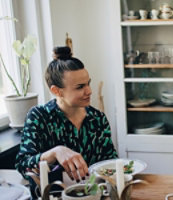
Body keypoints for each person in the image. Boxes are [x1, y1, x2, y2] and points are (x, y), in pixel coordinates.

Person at [15, 46, 118, 183]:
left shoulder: (98, 118)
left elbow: (111, 163)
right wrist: (55, 152)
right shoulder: (38, 117)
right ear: (57, 91)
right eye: (80, 87)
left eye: (88, 84)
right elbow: (23, 165)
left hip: (97, 195)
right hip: (57, 199)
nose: (89, 91)